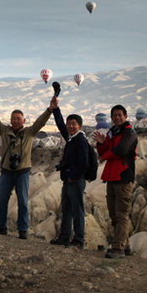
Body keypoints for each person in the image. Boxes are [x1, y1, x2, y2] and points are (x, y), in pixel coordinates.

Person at [0, 90, 52, 239]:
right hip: (7, 171)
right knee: (1, 200)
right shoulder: (4, 131)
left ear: (23, 121)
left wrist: (49, 109)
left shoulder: (29, 133)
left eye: (18, 119)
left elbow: (40, 122)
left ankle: (23, 230)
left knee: (22, 201)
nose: (15, 121)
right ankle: (1, 226)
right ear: (10, 120)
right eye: (13, 119)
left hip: (22, 170)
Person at [92, 104, 138, 259]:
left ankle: (118, 248)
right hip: (111, 176)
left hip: (123, 176)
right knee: (113, 214)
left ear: (125, 116)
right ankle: (126, 246)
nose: (117, 118)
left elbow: (121, 150)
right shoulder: (114, 132)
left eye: (120, 115)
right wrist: (101, 143)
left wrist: (105, 155)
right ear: (111, 118)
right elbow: (105, 150)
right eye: (114, 115)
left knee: (122, 214)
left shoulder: (129, 133)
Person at [49, 96, 90, 249]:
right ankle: (64, 237)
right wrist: (56, 109)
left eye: (74, 124)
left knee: (77, 210)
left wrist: (73, 176)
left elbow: (84, 163)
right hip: (69, 179)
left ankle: (78, 240)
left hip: (75, 180)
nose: (71, 126)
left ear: (80, 126)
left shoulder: (80, 140)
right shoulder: (72, 138)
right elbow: (60, 125)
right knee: (66, 209)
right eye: (69, 124)